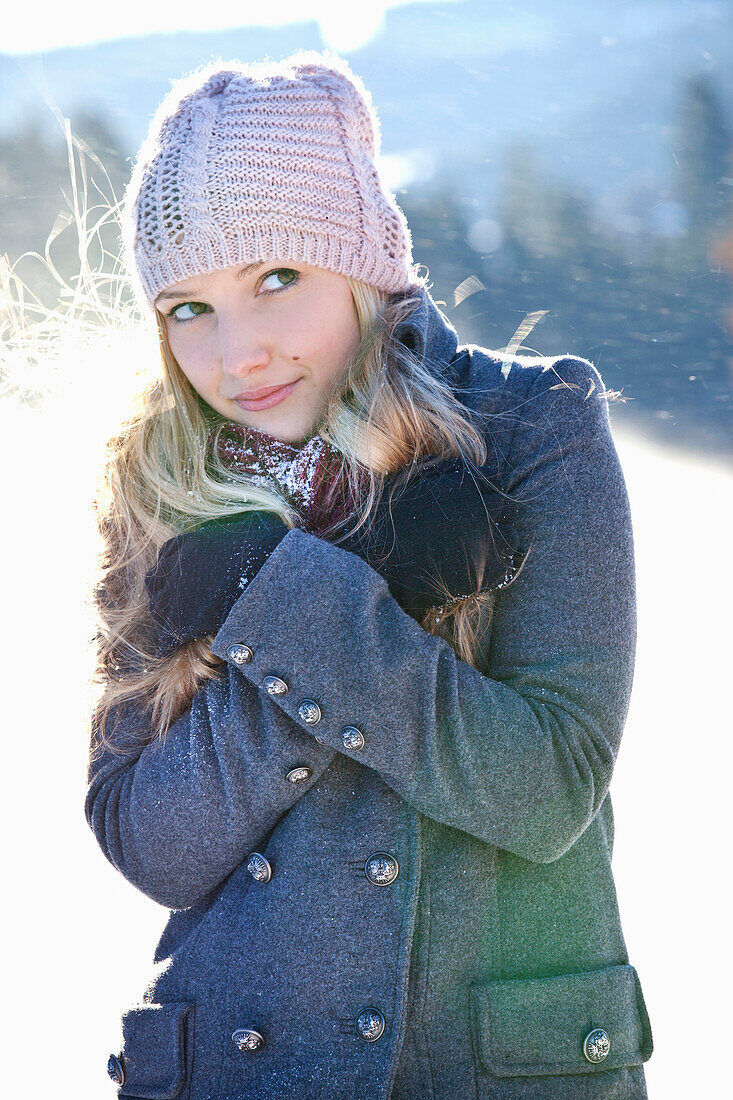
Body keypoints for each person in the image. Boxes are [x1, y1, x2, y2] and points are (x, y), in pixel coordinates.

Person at [85, 49, 654, 1099]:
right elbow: (150, 841)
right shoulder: (166, 484)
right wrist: (345, 580)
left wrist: (289, 601)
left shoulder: (530, 428)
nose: (237, 353)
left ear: (360, 260)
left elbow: (546, 790)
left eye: (276, 278)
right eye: (186, 306)